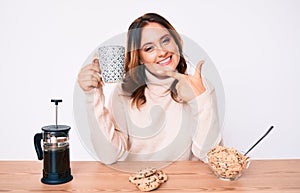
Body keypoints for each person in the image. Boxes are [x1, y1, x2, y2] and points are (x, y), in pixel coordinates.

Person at [77, 13, 221, 164]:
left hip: (185, 184)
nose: (162, 52)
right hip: (137, 182)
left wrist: (199, 98)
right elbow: (109, 155)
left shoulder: (200, 86)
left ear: (176, 43)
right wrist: (92, 94)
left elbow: (210, 156)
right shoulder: (124, 92)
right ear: (139, 58)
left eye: (165, 40)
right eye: (149, 48)